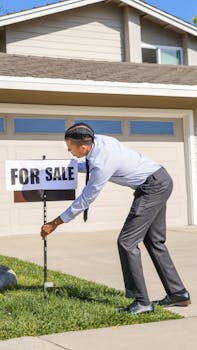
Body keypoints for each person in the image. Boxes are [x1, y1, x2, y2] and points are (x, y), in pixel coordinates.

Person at [41, 122, 191, 314]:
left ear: (84, 146)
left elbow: (86, 198)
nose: (70, 153)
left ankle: (142, 302)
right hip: (160, 179)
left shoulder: (102, 163)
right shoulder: (100, 141)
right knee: (154, 241)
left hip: (152, 188)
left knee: (127, 242)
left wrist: (55, 223)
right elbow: (87, 165)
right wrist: (62, 166)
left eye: (71, 149)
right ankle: (178, 293)